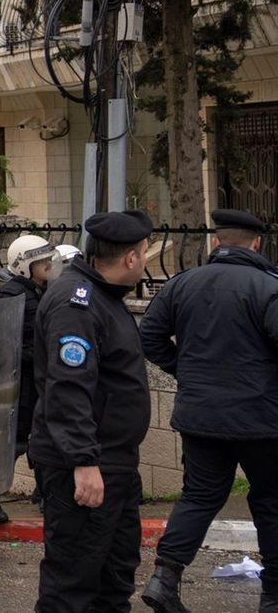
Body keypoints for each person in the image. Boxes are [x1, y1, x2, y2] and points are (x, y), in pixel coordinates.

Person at [139, 209, 278, 613]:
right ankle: (272, 596)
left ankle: (165, 577)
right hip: (262, 420)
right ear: (256, 243)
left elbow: (150, 335)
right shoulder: (268, 287)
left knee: (199, 496)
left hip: (201, 417)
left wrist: (186, 370)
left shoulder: (183, 283)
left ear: (216, 242)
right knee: (271, 501)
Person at [30, 210, 152, 613]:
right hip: (83, 466)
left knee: (114, 578)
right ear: (131, 258)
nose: (147, 260)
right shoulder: (76, 303)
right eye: (146, 253)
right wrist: (84, 461)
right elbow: (68, 388)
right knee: (73, 582)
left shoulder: (102, 297)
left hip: (113, 462)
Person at [0, 235, 59, 525]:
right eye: (42, 261)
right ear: (25, 265)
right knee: (10, 443)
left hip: (41, 380)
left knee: (45, 439)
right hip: (19, 384)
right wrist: (38, 355)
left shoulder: (42, 290)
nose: (48, 265)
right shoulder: (12, 294)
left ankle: (44, 494)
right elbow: (3, 341)